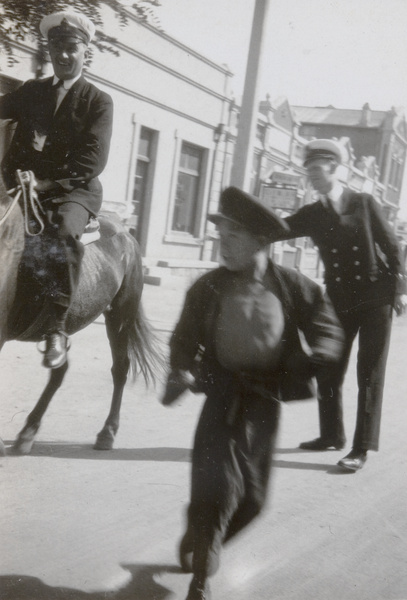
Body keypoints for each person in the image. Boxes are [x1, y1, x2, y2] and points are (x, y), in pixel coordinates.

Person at [162, 186, 344, 600]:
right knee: (215, 485)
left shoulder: (293, 285)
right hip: (220, 394)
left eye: (233, 237)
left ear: (262, 241)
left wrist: (321, 352)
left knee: (255, 499)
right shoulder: (208, 287)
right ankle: (201, 577)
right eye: (220, 236)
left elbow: (325, 323)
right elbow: (183, 338)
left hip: (265, 400)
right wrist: (182, 370)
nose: (222, 245)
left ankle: (201, 535)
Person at [278, 138, 406, 471]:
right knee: (329, 364)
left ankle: (360, 448)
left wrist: (401, 291)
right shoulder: (313, 213)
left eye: (317, 170)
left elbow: (392, 248)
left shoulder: (363, 202)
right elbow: (278, 230)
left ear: (335, 168)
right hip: (338, 298)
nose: (313, 177)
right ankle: (331, 434)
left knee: (369, 372)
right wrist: (243, 221)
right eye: (308, 172)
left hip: (376, 296)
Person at [0, 10, 113, 369]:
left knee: (64, 233)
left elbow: (91, 163)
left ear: (84, 52)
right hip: (22, 186)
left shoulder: (98, 101)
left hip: (72, 191)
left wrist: (46, 182)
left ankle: (56, 329)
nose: (63, 55)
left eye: (71, 47)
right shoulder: (31, 91)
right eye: (56, 47)